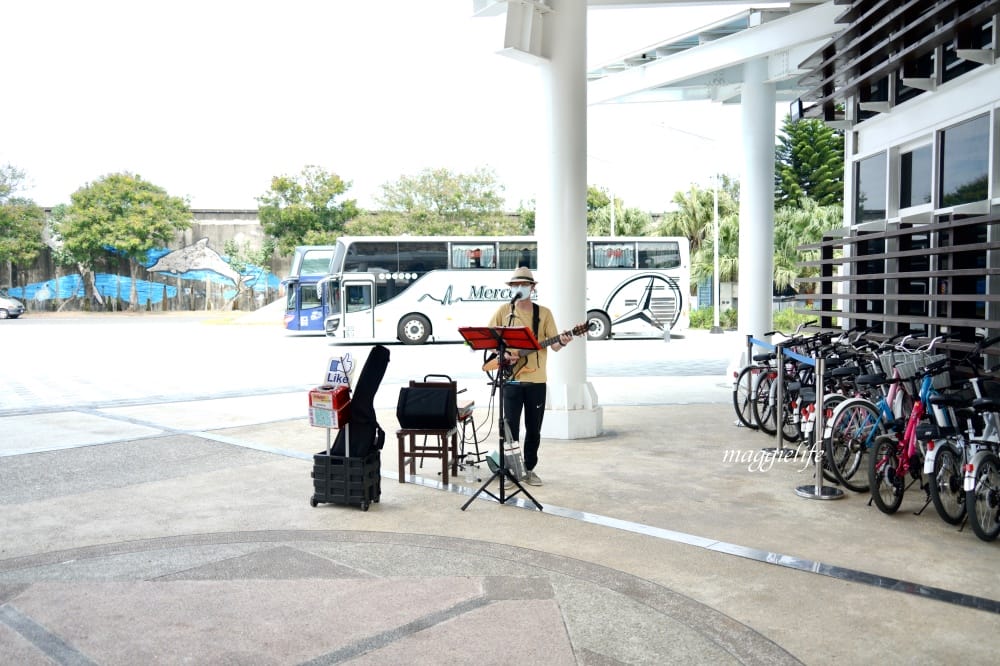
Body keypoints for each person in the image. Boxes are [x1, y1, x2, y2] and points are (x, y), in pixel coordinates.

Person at [487, 266, 572, 486]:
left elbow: (554, 346)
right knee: (509, 428)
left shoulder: (543, 313)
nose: (520, 288)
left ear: (532, 288)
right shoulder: (504, 311)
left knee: (534, 429)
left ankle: (529, 468)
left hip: (536, 381)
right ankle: (510, 470)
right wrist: (504, 353)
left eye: (524, 285)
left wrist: (562, 341)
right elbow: (490, 341)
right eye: (516, 285)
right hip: (511, 380)